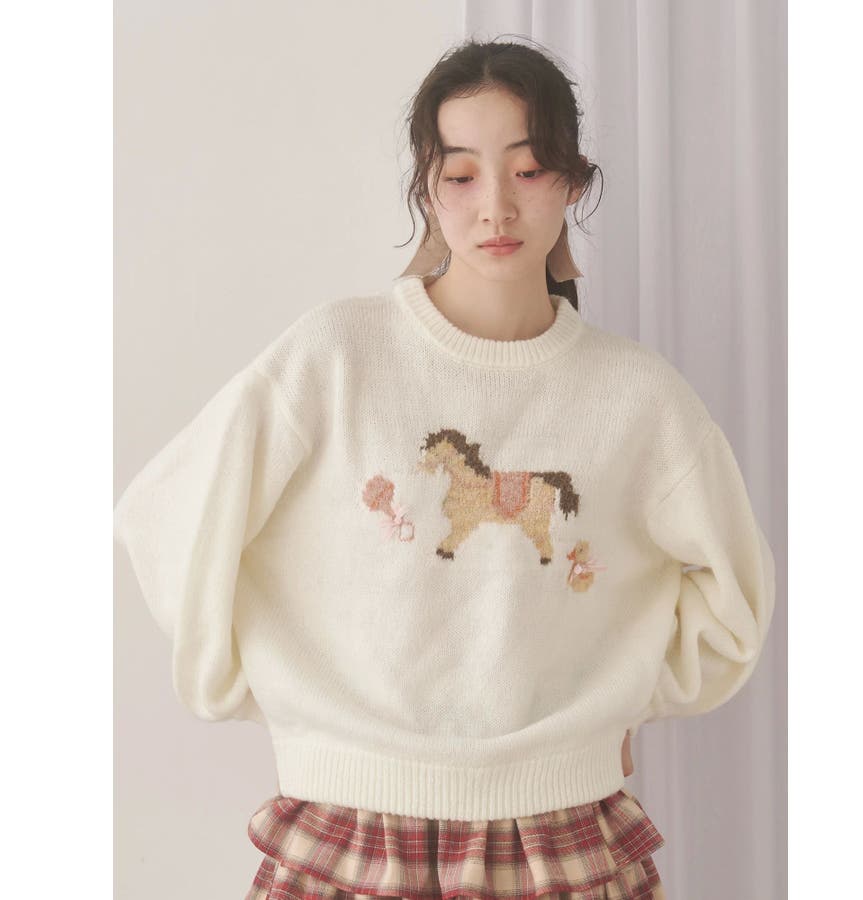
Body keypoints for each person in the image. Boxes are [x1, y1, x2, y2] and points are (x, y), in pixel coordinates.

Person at [113, 37, 776, 900]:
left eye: (528, 169)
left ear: (575, 182)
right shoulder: (336, 356)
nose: (495, 205)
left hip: (560, 841)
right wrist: (284, 701)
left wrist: (617, 698)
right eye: (461, 175)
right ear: (426, 191)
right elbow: (167, 516)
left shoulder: (638, 398)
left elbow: (736, 599)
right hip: (351, 837)